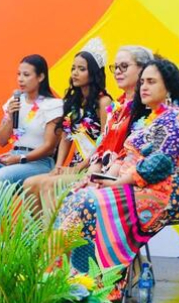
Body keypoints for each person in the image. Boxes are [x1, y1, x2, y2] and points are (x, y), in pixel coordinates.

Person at [58, 57, 179, 273]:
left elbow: (158, 165)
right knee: (75, 194)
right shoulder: (153, 118)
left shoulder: (174, 120)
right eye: (143, 82)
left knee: (88, 201)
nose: (144, 87)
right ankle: (68, 272)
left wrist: (117, 182)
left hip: (160, 195)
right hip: (132, 187)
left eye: (151, 82)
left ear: (169, 87)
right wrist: (105, 179)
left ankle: (94, 278)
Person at [24, 45, 153, 212]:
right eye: (115, 67)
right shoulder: (117, 106)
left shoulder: (123, 105)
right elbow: (98, 143)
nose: (117, 72)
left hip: (112, 174)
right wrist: (61, 166)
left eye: (124, 66)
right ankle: (41, 229)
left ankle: (55, 229)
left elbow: (121, 151)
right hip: (94, 168)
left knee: (49, 187)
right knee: (30, 184)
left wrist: (86, 171)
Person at [0, 54, 63, 191]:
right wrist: (10, 116)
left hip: (39, 162)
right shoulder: (14, 101)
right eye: (19, 74)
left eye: (26, 75)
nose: (20, 79)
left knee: (3, 175)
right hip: (13, 155)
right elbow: (2, 141)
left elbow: (49, 146)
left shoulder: (53, 105)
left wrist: (21, 158)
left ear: (40, 77)